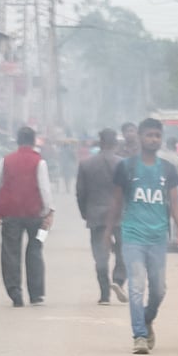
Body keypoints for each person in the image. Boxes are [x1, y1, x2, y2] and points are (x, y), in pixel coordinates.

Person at [106, 117, 178, 354]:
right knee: (137, 287)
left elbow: (173, 201)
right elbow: (117, 201)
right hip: (132, 235)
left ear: (161, 139)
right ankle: (139, 335)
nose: (153, 139)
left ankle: (147, 318)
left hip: (158, 237)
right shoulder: (126, 167)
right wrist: (109, 231)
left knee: (159, 289)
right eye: (149, 135)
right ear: (140, 137)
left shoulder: (168, 169)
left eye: (157, 136)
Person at [0, 127, 55, 308]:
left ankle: (15, 292)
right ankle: (36, 295)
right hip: (36, 215)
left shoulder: (6, 161)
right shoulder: (39, 162)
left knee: (11, 252)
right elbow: (44, 189)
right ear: (34, 141)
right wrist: (48, 211)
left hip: (11, 214)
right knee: (35, 250)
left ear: (17, 141)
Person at [77, 129, 127, 305]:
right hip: (121, 215)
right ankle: (119, 280)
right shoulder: (123, 164)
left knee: (100, 255)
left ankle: (104, 294)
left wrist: (85, 213)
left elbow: (80, 193)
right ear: (115, 143)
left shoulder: (86, 164)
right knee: (123, 252)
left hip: (96, 215)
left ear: (100, 142)